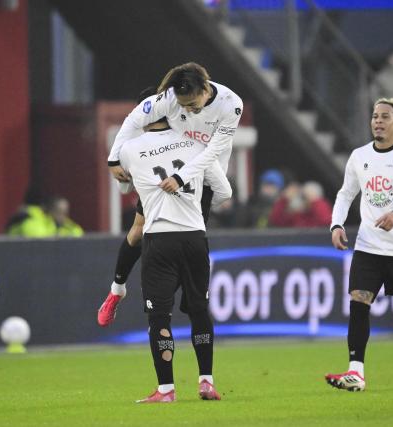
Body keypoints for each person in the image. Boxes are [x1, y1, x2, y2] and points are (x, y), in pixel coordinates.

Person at [98, 62, 241, 326]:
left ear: (205, 89)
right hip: (168, 179)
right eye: (182, 106)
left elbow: (215, 167)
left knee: (183, 234)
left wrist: (181, 179)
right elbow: (133, 121)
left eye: (191, 105)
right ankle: (117, 290)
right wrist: (114, 160)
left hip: (199, 175)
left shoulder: (230, 105)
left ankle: (184, 296)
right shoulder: (166, 102)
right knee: (142, 229)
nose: (186, 110)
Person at [325, 98, 393, 392]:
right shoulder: (359, 156)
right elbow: (346, 194)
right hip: (369, 245)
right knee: (359, 303)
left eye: (385, 116)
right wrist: (336, 224)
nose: (378, 121)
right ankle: (356, 372)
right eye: (374, 116)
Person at [118, 117, 221, 403]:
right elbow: (224, 190)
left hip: (160, 237)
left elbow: (123, 186)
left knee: (160, 315)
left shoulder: (130, 147)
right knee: (199, 309)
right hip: (194, 236)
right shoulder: (197, 143)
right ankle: (207, 382)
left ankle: (166, 390)